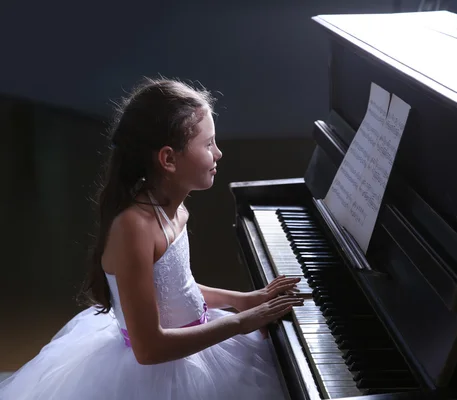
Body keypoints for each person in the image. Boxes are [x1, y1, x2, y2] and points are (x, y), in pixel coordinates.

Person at [0, 77, 304, 400]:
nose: (219, 152)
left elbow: (176, 289)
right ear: (168, 160)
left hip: (191, 339)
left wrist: (244, 299)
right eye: (208, 144)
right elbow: (148, 349)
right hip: (157, 369)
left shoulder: (176, 208)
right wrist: (242, 322)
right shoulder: (134, 228)